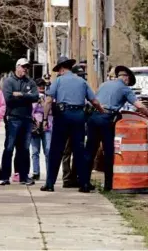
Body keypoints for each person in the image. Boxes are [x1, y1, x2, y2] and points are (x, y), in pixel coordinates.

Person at [85, 65, 148, 191]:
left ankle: (85, 183)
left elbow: (95, 100)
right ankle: (108, 185)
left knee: (90, 150)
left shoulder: (104, 85)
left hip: (93, 117)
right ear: (126, 78)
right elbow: (140, 106)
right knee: (108, 152)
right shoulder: (125, 89)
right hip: (107, 119)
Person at [40, 56, 105, 193]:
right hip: (79, 117)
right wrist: (102, 111)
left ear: (62, 69)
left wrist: (45, 119)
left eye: (58, 70)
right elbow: (94, 101)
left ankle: (50, 184)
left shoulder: (58, 81)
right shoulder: (82, 81)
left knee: (56, 150)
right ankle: (84, 183)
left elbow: (48, 101)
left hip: (62, 116)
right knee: (79, 151)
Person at [0, 58, 39, 186]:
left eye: (27, 67)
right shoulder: (9, 81)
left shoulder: (30, 82)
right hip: (13, 118)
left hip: (26, 119)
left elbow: (35, 96)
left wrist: (20, 95)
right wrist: (26, 96)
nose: (25, 69)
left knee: (24, 149)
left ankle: (24, 176)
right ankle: (5, 176)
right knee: (9, 147)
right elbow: (8, 98)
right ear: (17, 67)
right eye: (23, 67)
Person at [61, 65, 87, 188]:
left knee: (77, 150)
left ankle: (75, 177)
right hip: (68, 119)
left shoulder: (84, 85)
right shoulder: (66, 85)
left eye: (83, 76)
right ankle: (67, 178)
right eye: (80, 75)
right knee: (67, 151)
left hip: (79, 121)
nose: (82, 78)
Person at [30, 78, 53, 181]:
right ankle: (36, 172)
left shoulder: (49, 97)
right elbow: (29, 111)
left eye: (43, 85)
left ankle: (49, 172)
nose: (41, 87)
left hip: (47, 127)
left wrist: (43, 102)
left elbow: (51, 111)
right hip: (35, 126)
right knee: (35, 151)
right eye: (39, 85)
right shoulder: (32, 97)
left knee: (48, 150)